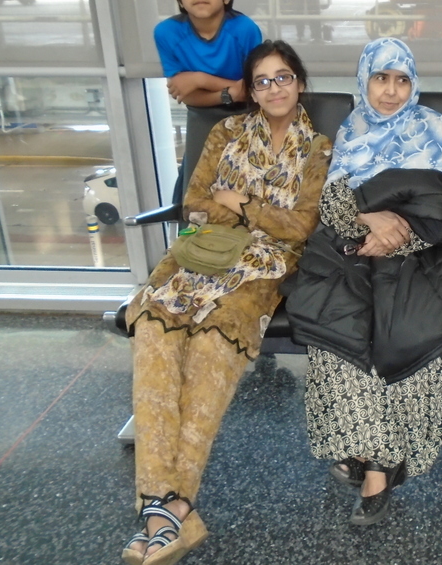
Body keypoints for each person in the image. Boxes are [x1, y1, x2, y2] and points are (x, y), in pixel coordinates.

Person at [121, 40, 331, 565]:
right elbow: (193, 203)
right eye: (263, 80)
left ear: (299, 83)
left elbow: (302, 225)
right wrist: (249, 213)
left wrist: (240, 203)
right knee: (152, 331)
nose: (275, 88)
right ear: (251, 91)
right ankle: (170, 511)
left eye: (283, 77)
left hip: (261, 269)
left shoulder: (318, 148)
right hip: (198, 258)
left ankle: (162, 513)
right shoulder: (226, 133)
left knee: (210, 350)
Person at [286, 37, 442, 525]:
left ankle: (380, 465)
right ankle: (364, 446)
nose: (391, 91)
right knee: (339, 328)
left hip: (422, 258)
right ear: (364, 81)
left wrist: (398, 233)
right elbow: (334, 201)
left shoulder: (434, 127)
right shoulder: (353, 128)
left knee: (404, 329)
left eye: (402, 80)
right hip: (355, 250)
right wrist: (368, 220)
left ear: (415, 84)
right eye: (380, 79)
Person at [154, 0, 263, 203]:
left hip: (248, 119)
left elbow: (254, 90)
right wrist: (229, 92)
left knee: (246, 195)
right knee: (192, 197)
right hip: (202, 118)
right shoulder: (166, 33)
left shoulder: (244, 30)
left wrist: (200, 79)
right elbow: (185, 95)